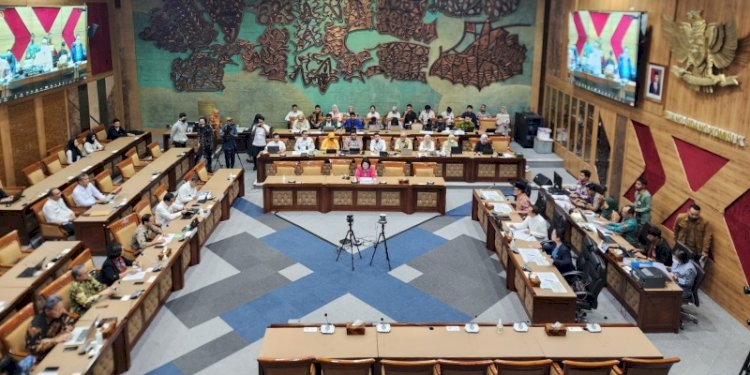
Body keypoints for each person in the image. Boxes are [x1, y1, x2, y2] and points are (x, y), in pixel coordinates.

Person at [26, 295, 72, 361]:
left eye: (61, 308)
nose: (61, 311)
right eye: (56, 310)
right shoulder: (36, 327)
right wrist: (55, 340)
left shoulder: (60, 313)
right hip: (44, 356)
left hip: (59, 345)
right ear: (47, 310)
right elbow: (34, 349)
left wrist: (67, 330)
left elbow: (69, 321)